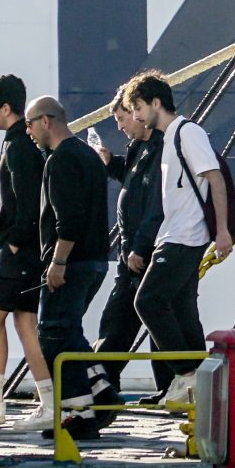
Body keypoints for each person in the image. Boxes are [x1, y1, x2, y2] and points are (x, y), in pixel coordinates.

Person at [126, 71, 235, 406]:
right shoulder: (170, 137)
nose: (136, 116)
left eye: (139, 108)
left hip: (185, 236)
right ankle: (199, 384)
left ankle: (185, 374)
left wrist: (222, 231)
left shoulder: (187, 132)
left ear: (156, 102)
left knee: (147, 302)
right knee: (183, 310)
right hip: (175, 234)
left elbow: (214, 178)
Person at [24, 95, 111, 428]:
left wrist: (57, 262)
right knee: (69, 332)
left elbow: (69, 219)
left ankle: (78, 412)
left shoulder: (60, 160)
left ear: (46, 121)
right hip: (95, 260)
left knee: (53, 334)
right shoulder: (89, 156)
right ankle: (101, 391)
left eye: (30, 124)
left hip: (72, 263)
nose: (29, 131)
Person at [0, 75, 50, 425]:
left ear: (6, 108)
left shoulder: (18, 147)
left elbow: (28, 201)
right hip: (26, 250)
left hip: (20, 251)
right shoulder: (20, 144)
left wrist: (16, 239)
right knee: (24, 322)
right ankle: (47, 399)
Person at [90, 98, 160, 398]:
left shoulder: (157, 148)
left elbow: (156, 203)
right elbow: (135, 184)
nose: (119, 127)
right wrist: (112, 164)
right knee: (139, 317)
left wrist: (141, 247)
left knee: (134, 317)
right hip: (131, 251)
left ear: (137, 112)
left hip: (142, 252)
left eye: (122, 118)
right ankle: (105, 383)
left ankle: (103, 383)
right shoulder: (139, 148)